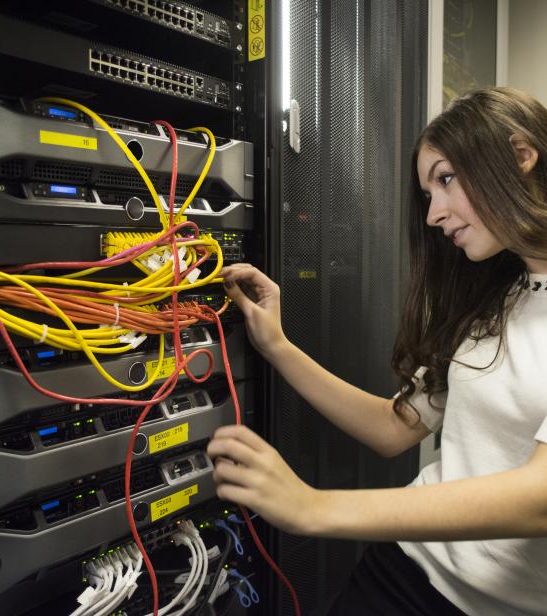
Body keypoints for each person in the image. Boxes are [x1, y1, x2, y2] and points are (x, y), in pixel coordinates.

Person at [206, 87, 547, 616]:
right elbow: (395, 427)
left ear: (521, 156)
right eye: (429, 193)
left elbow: (538, 499)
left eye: (446, 179)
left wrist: (312, 508)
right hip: (401, 572)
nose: (433, 214)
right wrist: (277, 346)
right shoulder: (499, 294)